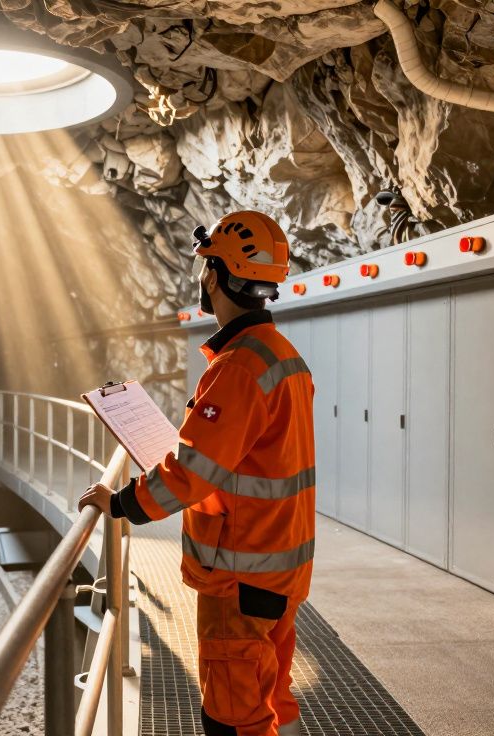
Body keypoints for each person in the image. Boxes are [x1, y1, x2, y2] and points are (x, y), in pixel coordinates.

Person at [78, 211, 316, 736]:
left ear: (214, 275)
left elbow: (192, 472)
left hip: (240, 573)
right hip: (280, 565)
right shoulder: (283, 356)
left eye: (206, 266)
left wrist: (119, 503)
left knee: (233, 715)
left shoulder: (237, 367)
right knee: (272, 696)